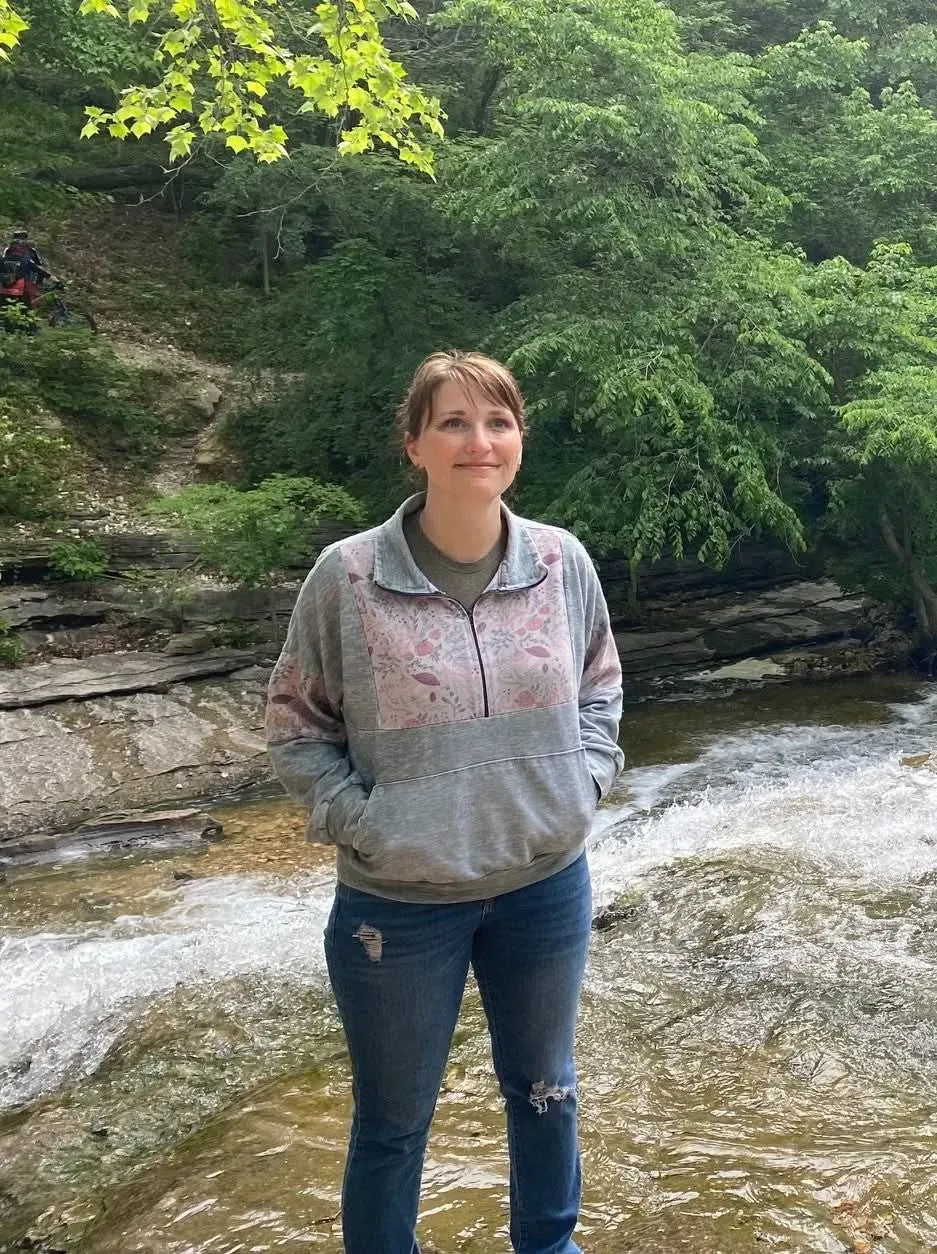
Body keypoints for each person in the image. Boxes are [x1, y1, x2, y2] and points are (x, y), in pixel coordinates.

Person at [265, 350, 624, 1254]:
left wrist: (580, 786)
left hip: (545, 884)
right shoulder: (346, 577)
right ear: (414, 444)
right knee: (392, 1121)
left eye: (498, 422)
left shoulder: (559, 560)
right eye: (454, 423)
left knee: (546, 1088)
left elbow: (600, 686)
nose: (479, 441)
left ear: (518, 441)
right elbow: (295, 724)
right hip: (398, 903)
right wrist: (369, 825)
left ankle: (547, 1245)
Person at [1, 229, 51, 307]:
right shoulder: (31, 250)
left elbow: (4, 262)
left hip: (8, 280)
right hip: (26, 279)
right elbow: (38, 266)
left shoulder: (8, 249)